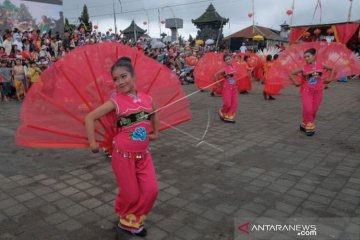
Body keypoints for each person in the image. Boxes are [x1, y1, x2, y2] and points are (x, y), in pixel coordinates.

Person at [85, 57, 159, 237]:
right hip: (122, 155)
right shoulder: (115, 102)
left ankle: (134, 217)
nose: (120, 82)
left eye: (124, 76)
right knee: (131, 194)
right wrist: (93, 143)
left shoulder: (147, 99)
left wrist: (155, 133)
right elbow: (89, 117)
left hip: (143, 155)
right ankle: (127, 220)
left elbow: (154, 114)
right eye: (116, 79)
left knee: (151, 190)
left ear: (133, 76)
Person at [289, 48, 334, 136]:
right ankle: (310, 126)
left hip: (319, 91)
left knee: (314, 110)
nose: (306, 58)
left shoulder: (321, 65)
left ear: (314, 56)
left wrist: (330, 79)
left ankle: (304, 123)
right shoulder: (303, 68)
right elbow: (291, 74)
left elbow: (332, 68)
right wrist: (295, 83)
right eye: (305, 57)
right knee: (308, 109)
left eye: (308, 56)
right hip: (307, 91)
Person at [214, 54, 238, 123]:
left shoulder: (234, 67)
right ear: (225, 61)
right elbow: (215, 75)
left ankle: (228, 117)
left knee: (234, 103)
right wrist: (217, 82)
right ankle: (221, 111)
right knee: (228, 104)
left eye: (229, 58)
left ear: (231, 59)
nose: (228, 60)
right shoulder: (224, 68)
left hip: (234, 87)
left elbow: (234, 77)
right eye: (226, 59)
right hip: (227, 88)